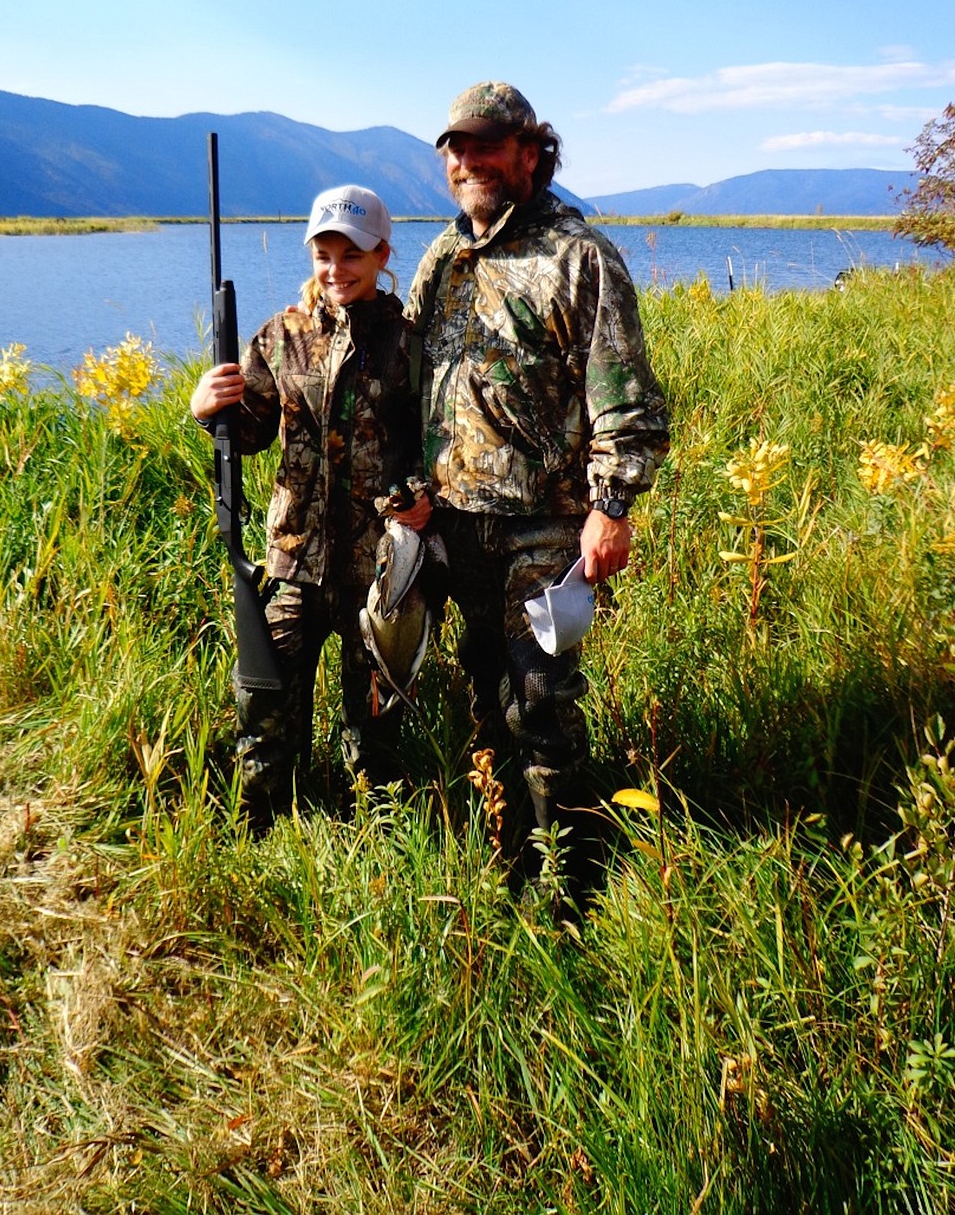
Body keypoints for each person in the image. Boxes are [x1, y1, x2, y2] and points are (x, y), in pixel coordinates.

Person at [407, 81, 669, 890]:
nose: (467, 159)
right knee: (482, 687)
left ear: (530, 151)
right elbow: (399, 364)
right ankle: (505, 856)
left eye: (486, 143)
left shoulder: (580, 257)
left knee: (540, 700)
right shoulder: (443, 260)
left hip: (545, 528)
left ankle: (570, 889)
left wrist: (612, 506)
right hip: (454, 526)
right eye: (455, 147)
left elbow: (626, 398)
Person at [191, 185, 430, 826]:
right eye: (324, 254)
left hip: (378, 573)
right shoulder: (281, 336)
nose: (336, 269)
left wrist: (422, 498)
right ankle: (262, 828)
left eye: (351, 254)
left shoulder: (410, 346)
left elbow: (433, 444)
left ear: (381, 254)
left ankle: (377, 837)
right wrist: (208, 408)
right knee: (264, 709)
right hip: (294, 562)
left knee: (375, 725)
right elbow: (249, 432)